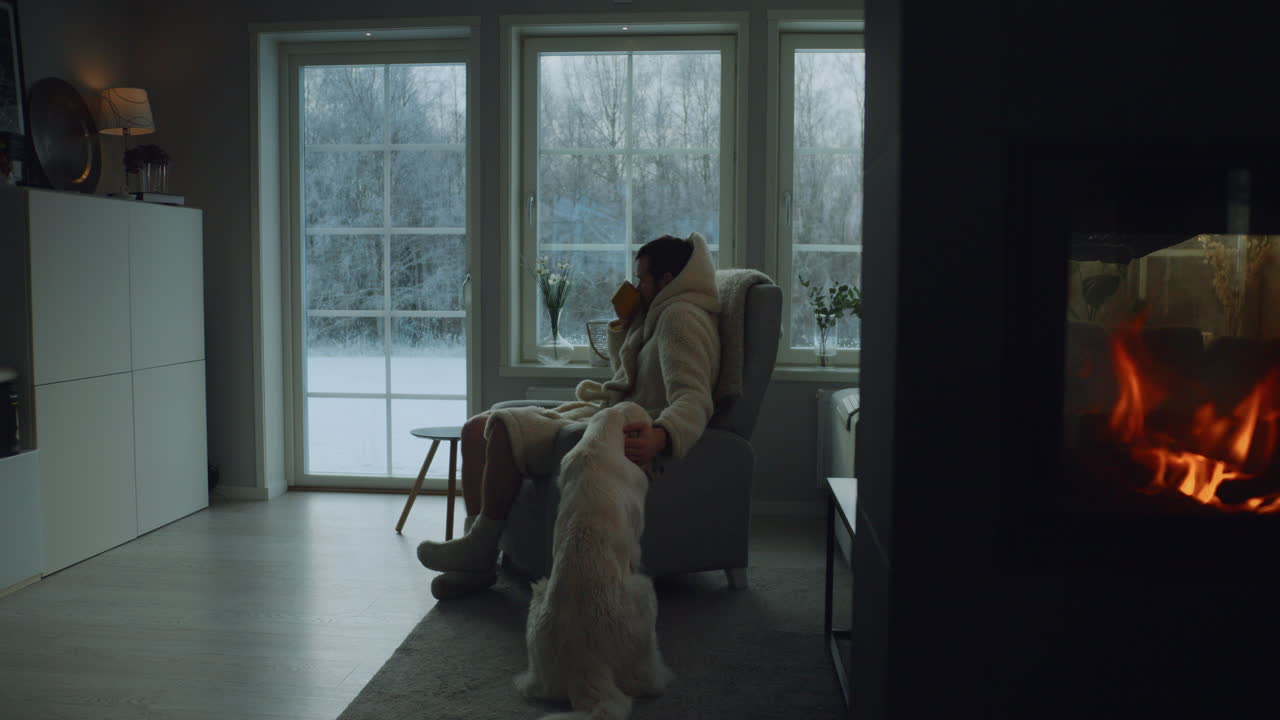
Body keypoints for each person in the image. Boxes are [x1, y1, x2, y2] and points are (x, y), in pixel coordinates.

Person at [417, 232, 722, 600]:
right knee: (475, 430)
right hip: (604, 413)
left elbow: (694, 398)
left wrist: (662, 434)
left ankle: (479, 553)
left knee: (500, 428)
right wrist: (625, 324)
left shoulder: (680, 318)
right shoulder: (658, 313)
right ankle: (477, 559)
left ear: (667, 280)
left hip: (620, 429)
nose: (636, 286)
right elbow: (625, 374)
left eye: (642, 279)